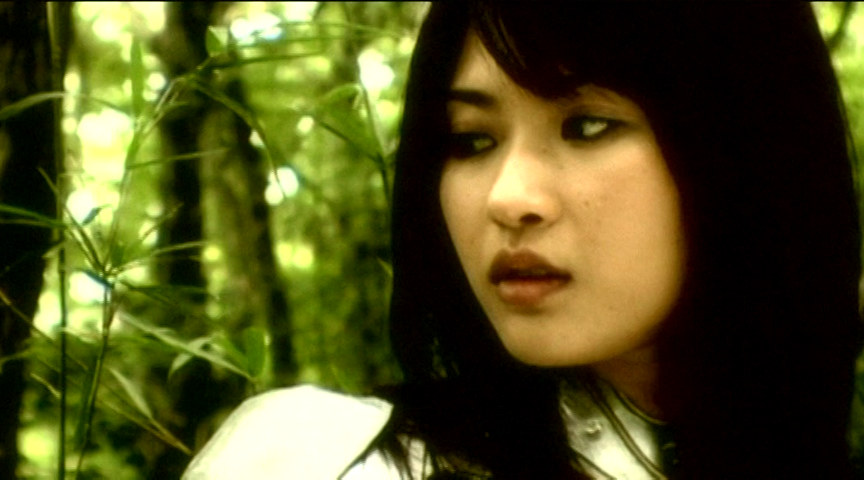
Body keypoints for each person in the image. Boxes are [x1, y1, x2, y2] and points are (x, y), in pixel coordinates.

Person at [183, 3, 862, 479]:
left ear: (743, 153)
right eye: (471, 141)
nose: (508, 198)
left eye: (587, 126)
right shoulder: (320, 459)